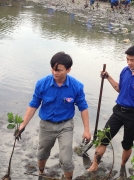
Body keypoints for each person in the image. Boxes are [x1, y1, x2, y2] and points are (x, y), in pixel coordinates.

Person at [16, 52, 91, 180]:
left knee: (66, 159)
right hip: (46, 125)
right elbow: (34, 104)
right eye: (53, 69)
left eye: (58, 70)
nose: (55, 73)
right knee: (42, 153)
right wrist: (23, 124)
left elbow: (83, 108)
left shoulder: (76, 86)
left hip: (65, 125)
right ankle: (41, 173)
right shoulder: (42, 83)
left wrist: (87, 130)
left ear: (68, 70)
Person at [87, 45, 134, 178]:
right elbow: (119, 89)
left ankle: (123, 165)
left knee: (127, 144)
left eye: (132, 60)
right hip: (118, 111)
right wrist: (108, 77)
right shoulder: (125, 71)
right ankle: (95, 164)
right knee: (104, 138)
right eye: (127, 59)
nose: (129, 63)